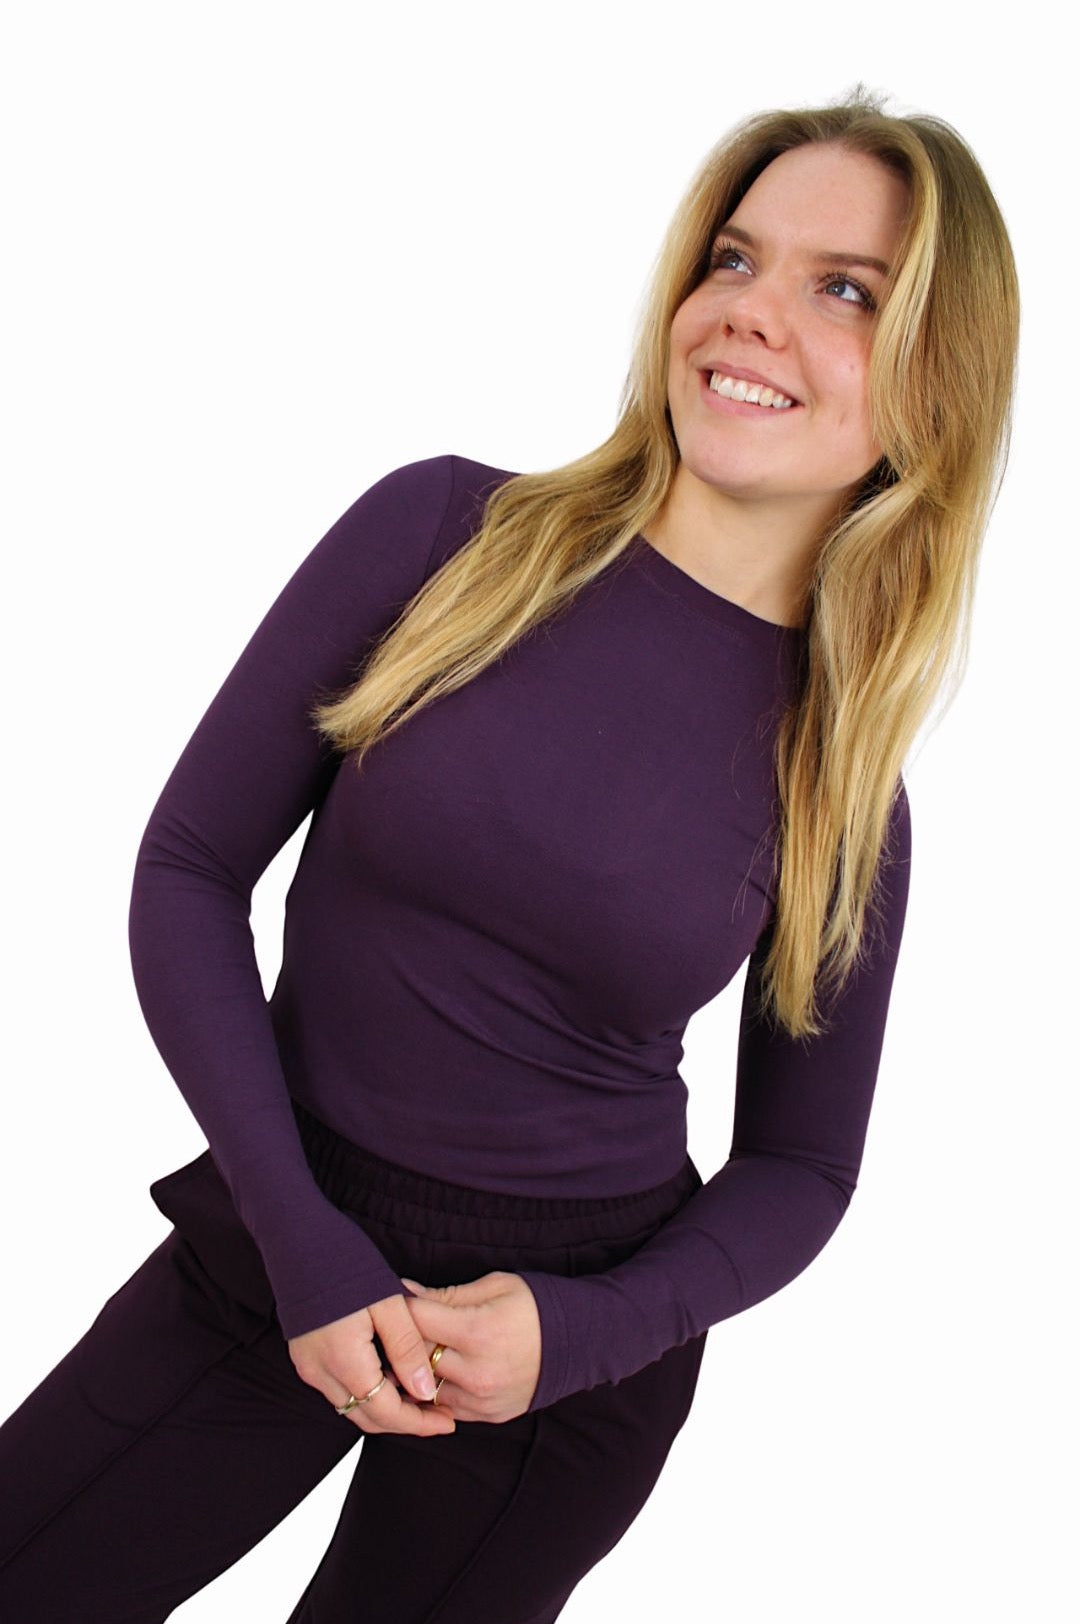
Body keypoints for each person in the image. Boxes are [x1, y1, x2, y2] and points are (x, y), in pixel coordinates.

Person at [0, 88, 1018, 1623]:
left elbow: (802, 1166)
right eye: (733, 259)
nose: (751, 312)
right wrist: (300, 1241)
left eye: (847, 291)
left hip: (560, 1365)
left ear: (938, 381)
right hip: (275, 1240)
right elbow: (192, 869)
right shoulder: (444, 537)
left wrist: (585, 1334)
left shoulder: (843, 784)